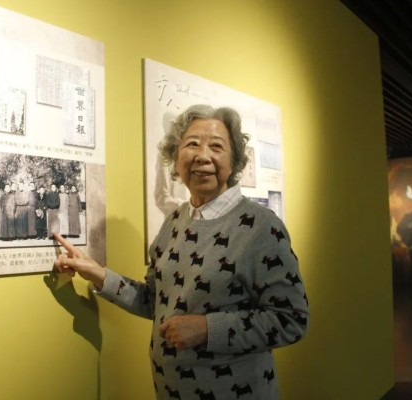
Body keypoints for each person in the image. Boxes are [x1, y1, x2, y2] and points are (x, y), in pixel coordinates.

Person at [54, 104, 309, 399]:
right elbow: (155, 301)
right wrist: (98, 274)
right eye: (192, 144)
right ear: (176, 158)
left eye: (216, 146)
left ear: (234, 160)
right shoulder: (174, 221)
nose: (202, 156)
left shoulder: (261, 227)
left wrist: (207, 329)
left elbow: (291, 319)